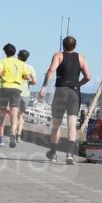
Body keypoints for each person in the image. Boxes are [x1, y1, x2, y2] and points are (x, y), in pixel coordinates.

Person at [39, 36, 91, 164]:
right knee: (72, 124)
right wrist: (78, 84)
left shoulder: (58, 56)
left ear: (63, 45)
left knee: (56, 124)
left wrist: (44, 87)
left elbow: (51, 71)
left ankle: (53, 153)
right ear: (75, 46)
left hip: (61, 91)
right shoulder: (81, 58)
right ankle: (69, 154)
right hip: (74, 93)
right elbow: (88, 77)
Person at [0, 43, 25, 147]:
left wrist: (4, 77)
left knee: (2, 112)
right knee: (14, 113)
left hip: (5, 88)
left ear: (5, 52)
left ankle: (1, 137)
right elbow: (27, 76)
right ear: (14, 52)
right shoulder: (20, 63)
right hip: (16, 89)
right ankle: (12, 134)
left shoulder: (2, 61)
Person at [12, 49, 36, 144]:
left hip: (15, 92)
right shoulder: (30, 68)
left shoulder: (14, 66)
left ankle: (13, 134)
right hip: (25, 93)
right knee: (21, 115)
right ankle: (18, 136)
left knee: (14, 115)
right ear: (27, 58)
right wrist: (28, 82)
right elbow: (34, 81)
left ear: (18, 56)